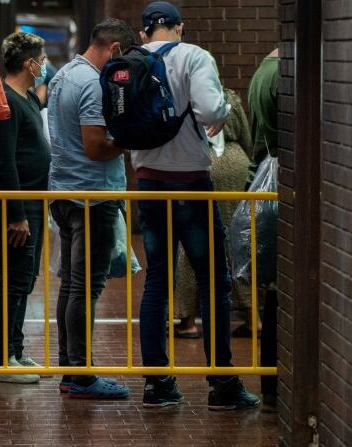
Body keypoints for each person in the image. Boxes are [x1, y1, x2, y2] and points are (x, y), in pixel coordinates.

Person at [132, 1, 260, 409]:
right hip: (191, 182)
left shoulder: (130, 61)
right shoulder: (195, 56)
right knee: (213, 284)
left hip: (149, 184)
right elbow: (208, 110)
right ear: (179, 28)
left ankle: (157, 383)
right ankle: (221, 383)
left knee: (156, 284)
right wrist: (220, 114)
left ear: (143, 34)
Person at [47, 19, 135, 399]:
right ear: (114, 50)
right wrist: (130, 140)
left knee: (71, 283)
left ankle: (72, 368)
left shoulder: (64, 74)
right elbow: (96, 146)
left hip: (65, 192)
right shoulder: (92, 84)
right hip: (92, 196)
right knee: (85, 287)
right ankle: (80, 373)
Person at [0, 32, 51, 384]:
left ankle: (16, 349)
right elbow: (4, 163)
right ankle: (1, 359)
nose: (45, 64)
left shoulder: (27, 98)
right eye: (42, 58)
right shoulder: (5, 103)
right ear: (29, 63)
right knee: (13, 279)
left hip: (34, 201)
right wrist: (17, 213)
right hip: (19, 203)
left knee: (24, 278)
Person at [174, 87, 253, 338]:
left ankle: (187, 319)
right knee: (239, 239)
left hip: (202, 165)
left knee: (191, 241)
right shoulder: (230, 96)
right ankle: (253, 315)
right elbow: (246, 138)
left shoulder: (183, 96)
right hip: (237, 163)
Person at [247, 47, 279, 410]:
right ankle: (273, 385)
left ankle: (271, 386)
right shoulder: (282, 74)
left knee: (273, 289)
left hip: (265, 179)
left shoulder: (261, 72)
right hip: (280, 184)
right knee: (280, 289)